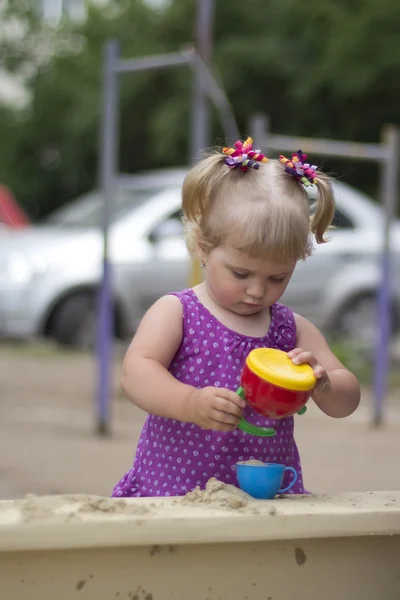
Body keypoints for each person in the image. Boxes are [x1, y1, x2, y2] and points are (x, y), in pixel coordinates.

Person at [112, 138, 360, 498]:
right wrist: (189, 403)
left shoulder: (290, 328)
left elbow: (347, 400)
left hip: (265, 500)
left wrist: (322, 383)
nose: (257, 292)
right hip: (174, 494)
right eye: (241, 274)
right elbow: (135, 374)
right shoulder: (178, 312)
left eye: (277, 278)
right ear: (202, 246)